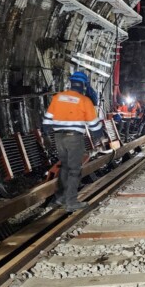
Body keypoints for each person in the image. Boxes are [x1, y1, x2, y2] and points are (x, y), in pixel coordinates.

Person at [42, 72, 104, 212]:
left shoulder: (58, 97)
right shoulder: (84, 101)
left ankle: (60, 198)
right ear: (83, 85)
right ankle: (71, 203)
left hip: (58, 138)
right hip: (74, 138)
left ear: (71, 83)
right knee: (74, 170)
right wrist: (99, 135)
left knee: (65, 167)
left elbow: (47, 119)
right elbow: (93, 123)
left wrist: (45, 134)